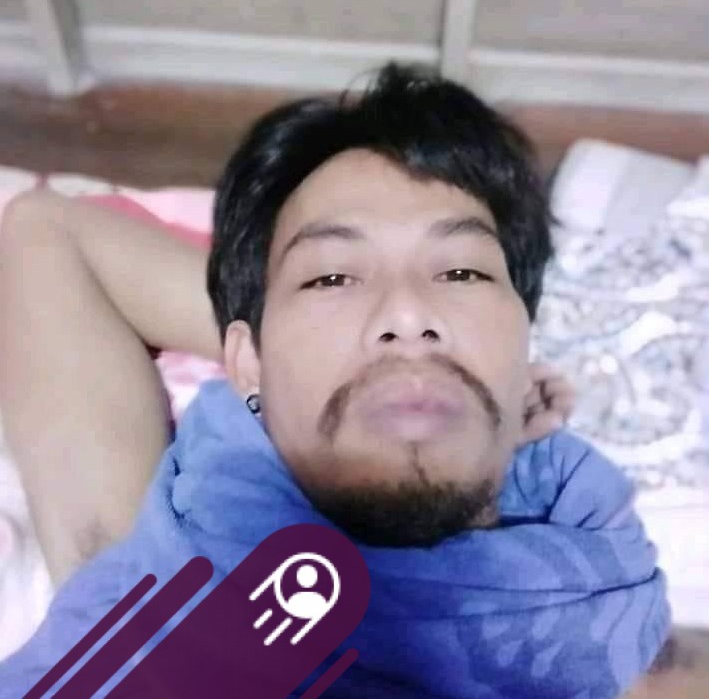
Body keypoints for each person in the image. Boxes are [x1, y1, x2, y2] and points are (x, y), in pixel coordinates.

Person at [0, 63, 676, 697]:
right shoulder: (144, 578)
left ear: (523, 348)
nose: (407, 313)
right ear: (245, 362)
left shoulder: (625, 622)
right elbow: (45, 230)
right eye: (330, 277)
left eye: (461, 272)